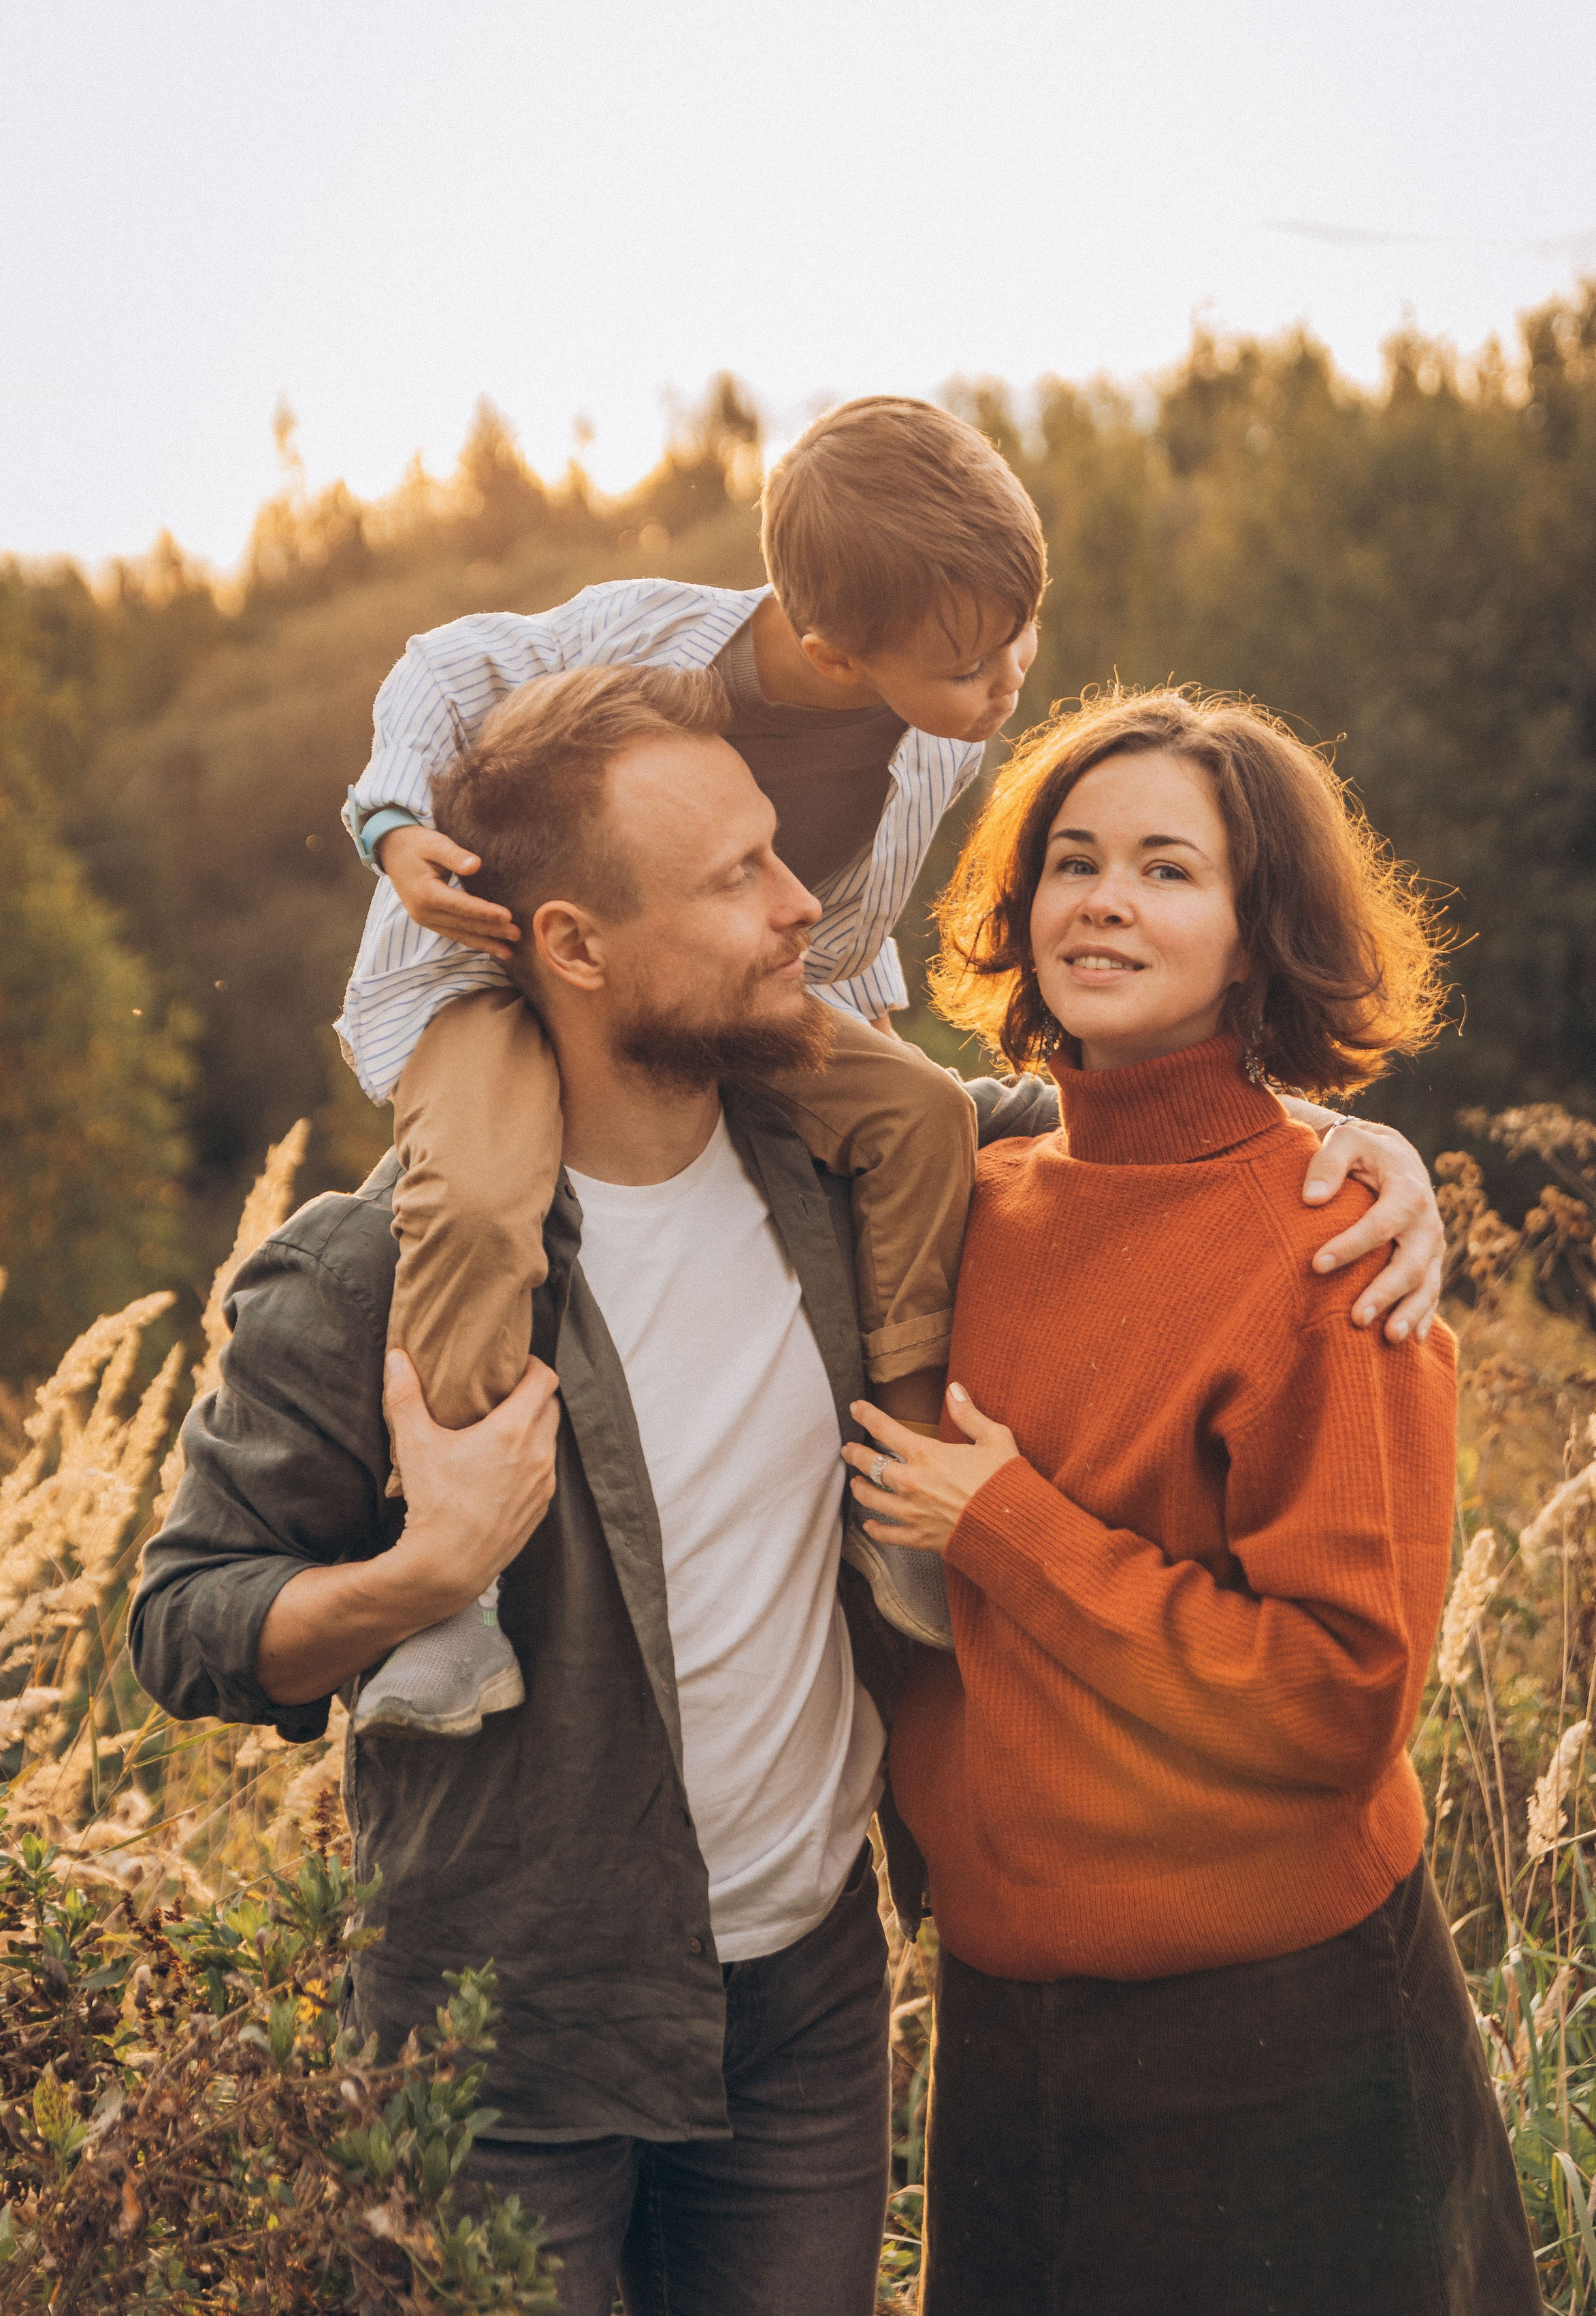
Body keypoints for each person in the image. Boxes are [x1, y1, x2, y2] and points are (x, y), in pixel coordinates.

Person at [133, 664, 1062, 2316]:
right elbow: (186, 1618)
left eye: (780, 854)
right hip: (502, 2056)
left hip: (806, 2013)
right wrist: (419, 1581)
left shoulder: (845, 1180)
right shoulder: (377, 1272)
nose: (801, 910)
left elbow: (1142, 1144)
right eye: (733, 883)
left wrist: (1367, 1156)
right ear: (568, 943)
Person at [336, 396, 1448, 1731]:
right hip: (499, 976)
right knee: (475, 1195)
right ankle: (459, 1608)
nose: (1009, 682)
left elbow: (869, 950)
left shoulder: (932, 724)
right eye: (977, 660)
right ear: (829, 647)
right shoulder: (660, 649)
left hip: (745, 998)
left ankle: (905, 1498)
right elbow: (449, 667)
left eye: (1018, 630)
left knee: (916, 1110)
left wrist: (1327, 1130)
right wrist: (395, 825)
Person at [846, 688, 1542, 2315]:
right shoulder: (973, 1195)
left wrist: (1007, 1527)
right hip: (1008, 2031)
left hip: (1271, 2037)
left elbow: (1334, 1697)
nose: (1101, 898)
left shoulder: (1324, 1246)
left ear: (1254, 932)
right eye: (1070, 860)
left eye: (1167, 868)